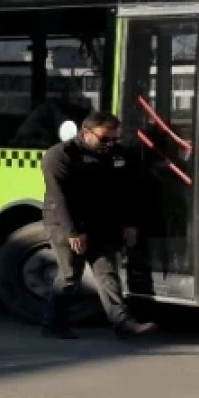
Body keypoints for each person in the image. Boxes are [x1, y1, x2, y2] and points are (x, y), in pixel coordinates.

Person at [39, 110, 158, 340]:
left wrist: (129, 224)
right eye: (104, 139)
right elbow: (59, 197)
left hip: (101, 223)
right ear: (86, 132)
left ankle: (123, 324)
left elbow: (127, 192)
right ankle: (53, 324)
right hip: (66, 222)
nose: (110, 144)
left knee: (107, 272)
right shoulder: (60, 155)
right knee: (70, 275)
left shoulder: (117, 154)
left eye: (115, 139)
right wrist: (73, 232)